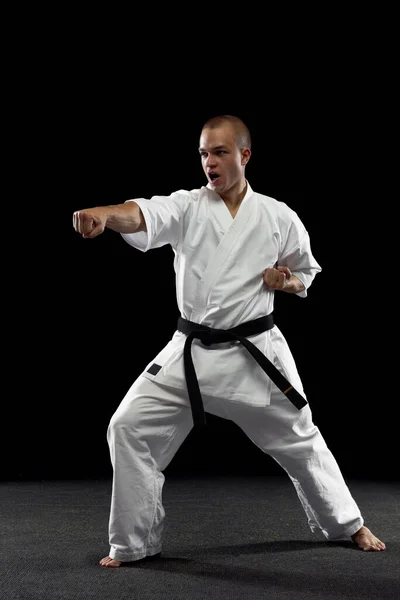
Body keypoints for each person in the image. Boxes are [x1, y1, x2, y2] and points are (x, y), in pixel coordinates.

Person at [73, 115, 386, 567]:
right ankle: (132, 542)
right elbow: (142, 212)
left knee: (301, 439)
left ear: (244, 155)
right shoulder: (188, 207)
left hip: (253, 355)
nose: (209, 162)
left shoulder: (279, 215)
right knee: (127, 426)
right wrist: (105, 214)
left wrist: (286, 282)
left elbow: (307, 274)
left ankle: (347, 523)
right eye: (203, 153)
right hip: (190, 354)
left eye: (219, 152)